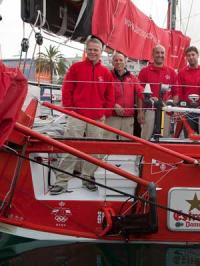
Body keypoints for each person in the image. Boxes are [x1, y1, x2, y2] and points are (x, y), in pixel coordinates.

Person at [50, 37, 114, 195]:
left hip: (97, 118)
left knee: (94, 150)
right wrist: (70, 109)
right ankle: (61, 181)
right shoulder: (76, 68)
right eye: (90, 50)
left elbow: (110, 95)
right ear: (86, 50)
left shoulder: (105, 72)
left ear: (101, 52)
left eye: (96, 50)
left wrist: (105, 112)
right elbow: (67, 89)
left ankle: (88, 177)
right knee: (70, 147)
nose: (92, 52)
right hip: (77, 115)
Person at [138, 45, 178, 140]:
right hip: (149, 111)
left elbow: (176, 94)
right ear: (152, 54)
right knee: (145, 138)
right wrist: (140, 112)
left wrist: (173, 108)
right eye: (157, 52)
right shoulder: (144, 71)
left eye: (162, 53)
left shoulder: (172, 72)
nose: (160, 55)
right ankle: (143, 155)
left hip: (165, 112)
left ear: (165, 55)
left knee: (165, 139)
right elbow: (139, 94)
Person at [104, 52, 144, 140]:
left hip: (128, 117)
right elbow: (102, 94)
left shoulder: (133, 78)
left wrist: (148, 96)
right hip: (112, 117)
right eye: (116, 60)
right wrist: (114, 105)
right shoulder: (107, 76)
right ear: (112, 63)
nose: (118, 62)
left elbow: (140, 92)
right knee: (107, 143)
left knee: (126, 145)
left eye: (121, 60)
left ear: (125, 62)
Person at [177, 46, 200, 135]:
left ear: (197, 55)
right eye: (188, 55)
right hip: (187, 109)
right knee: (189, 136)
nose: (191, 57)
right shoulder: (182, 72)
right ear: (186, 58)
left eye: (193, 54)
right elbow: (179, 90)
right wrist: (180, 108)